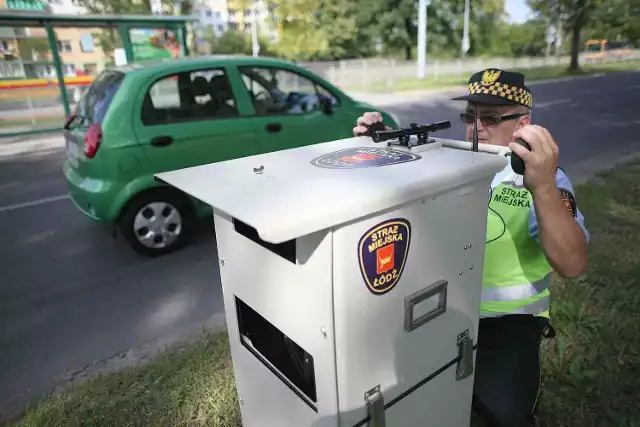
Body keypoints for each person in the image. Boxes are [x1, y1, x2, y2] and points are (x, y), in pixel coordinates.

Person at [352, 68, 590, 427]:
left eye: (491, 118)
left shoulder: (545, 180)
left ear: (523, 123)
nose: (476, 128)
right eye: (470, 116)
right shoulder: (453, 163)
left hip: (507, 322)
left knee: (502, 414)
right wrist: (381, 142)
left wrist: (541, 188)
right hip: (440, 309)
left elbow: (572, 264)